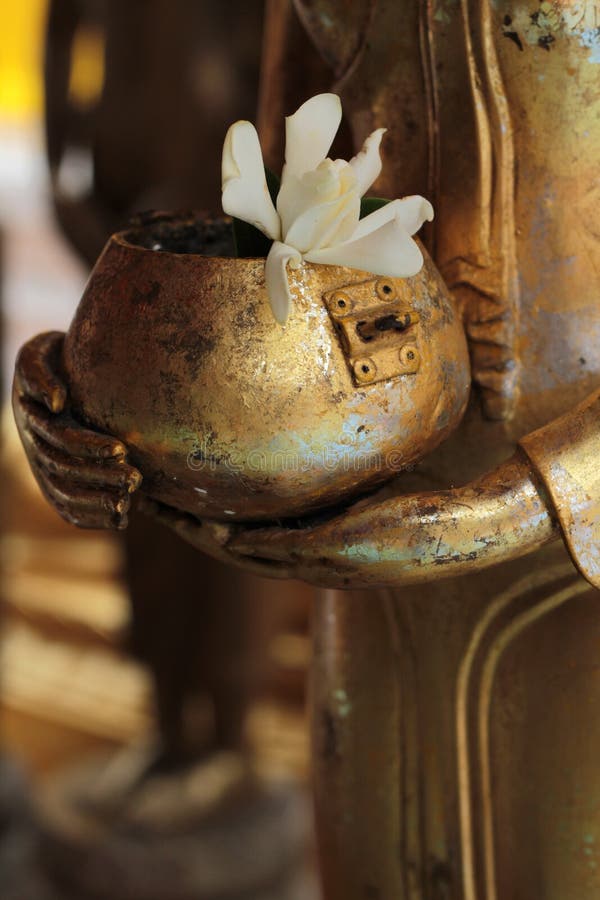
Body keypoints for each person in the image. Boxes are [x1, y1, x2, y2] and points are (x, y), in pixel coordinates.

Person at [14, 1, 600, 897]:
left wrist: (529, 501)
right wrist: (76, 387)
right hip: (368, 518)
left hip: (574, 543)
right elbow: (268, 228)